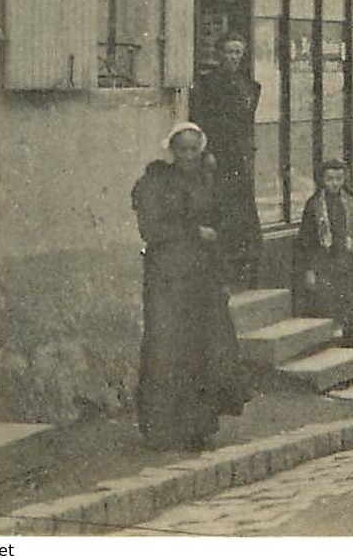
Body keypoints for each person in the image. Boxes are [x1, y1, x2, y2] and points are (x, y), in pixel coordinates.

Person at [130, 122, 249, 451]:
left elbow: (225, 222)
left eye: (193, 150)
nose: (188, 156)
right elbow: (151, 229)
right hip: (167, 278)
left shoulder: (208, 182)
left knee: (204, 349)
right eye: (181, 150)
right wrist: (194, 232)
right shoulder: (154, 183)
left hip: (202, 278)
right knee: (167, 349)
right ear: (172, 151)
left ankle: (199, 426)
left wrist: (219, 257)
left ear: (201, 150)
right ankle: (162, 427)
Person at [190, 33, 263, 287]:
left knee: (241, 209)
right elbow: (203, 119)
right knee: (220, 206)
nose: (233, 57)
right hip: (218, 155)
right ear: (219, 55)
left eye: (238, 53)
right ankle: (221, 265)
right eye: (229, 52)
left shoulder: (248, 84)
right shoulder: (209, 84)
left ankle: (242, 264)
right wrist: (206, 151)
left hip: (239, 155)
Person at [292, 160, 353, 345]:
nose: (334, 183)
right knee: (326, 304)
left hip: (348, 260)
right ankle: (328, 346)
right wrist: (309, 269)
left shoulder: (352, 202)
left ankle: (350, 344)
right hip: (324, 261)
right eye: (330, 179)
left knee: (350, 304)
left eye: (339, 178)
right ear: (322, 180)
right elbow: (306, 239)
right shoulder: (314, 205)